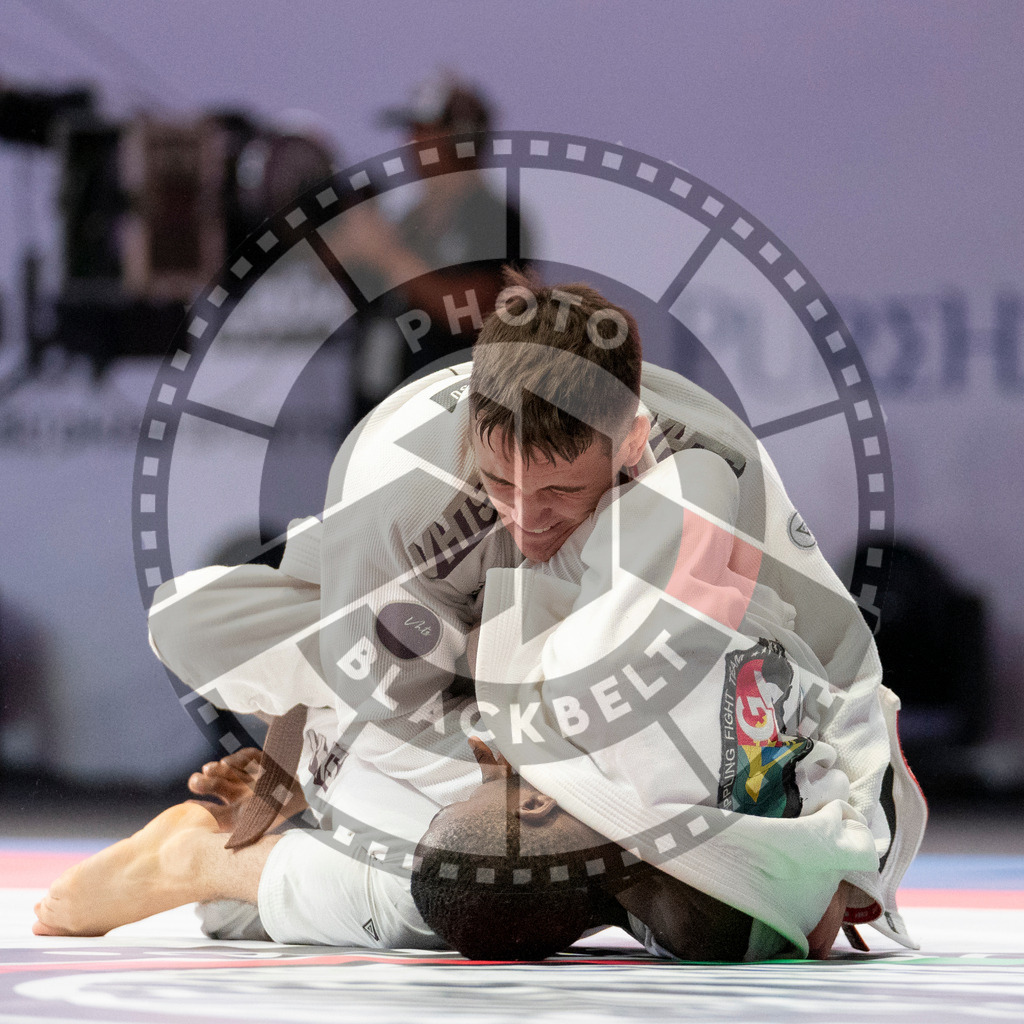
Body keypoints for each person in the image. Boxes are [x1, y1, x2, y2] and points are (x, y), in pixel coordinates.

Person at [33, 270, 924, 959]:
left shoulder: (705, 478)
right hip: (419, 649)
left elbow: (837, 662)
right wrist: (290, 765)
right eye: (503, 484)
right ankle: (207, 861)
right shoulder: (408, 517)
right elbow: (340, 667)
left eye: (562, 491)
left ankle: (257, 866)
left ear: (631, 440)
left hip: (591, 661)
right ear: (473, 437)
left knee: (672, 865)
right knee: (480, 876)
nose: (529, 516)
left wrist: (849, 854)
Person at [328, 71, 531, 427]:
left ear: (462, 138)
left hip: (450, 432)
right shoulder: (408, 223)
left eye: (425, 131)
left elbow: (482, 312)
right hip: (379, 426)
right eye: (412, 131)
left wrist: (386, 257)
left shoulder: (495, 220)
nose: (411, 143)